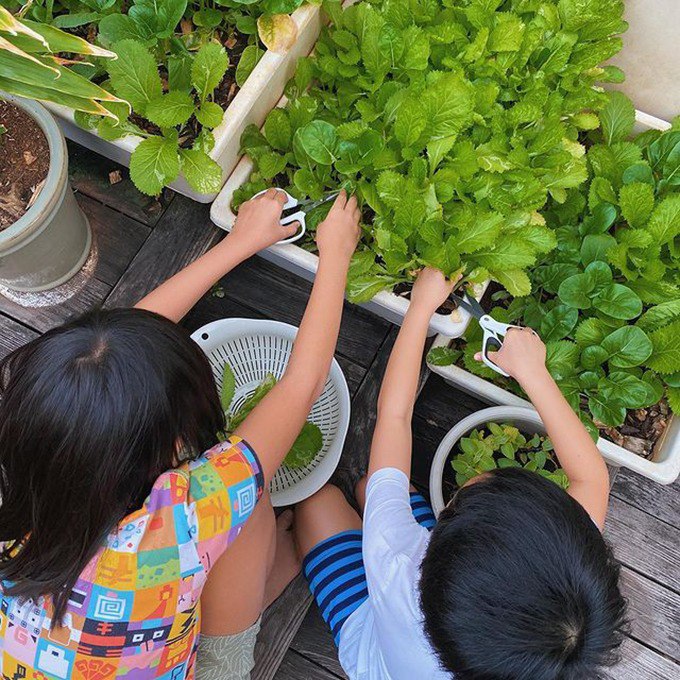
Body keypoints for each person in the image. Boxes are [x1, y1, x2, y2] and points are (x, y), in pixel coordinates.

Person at [0, 189, 360, 680]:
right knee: (251, 506)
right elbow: (302, 386)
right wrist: (336, 255)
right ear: (172, 447)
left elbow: (117, 352)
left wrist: (240, 242)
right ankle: (236, 645)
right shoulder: (181, 520)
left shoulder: (21, 458)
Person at [295, 267, 627, 680]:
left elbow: (394, 417)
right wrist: (533, 372)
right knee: (373, 489)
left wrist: (419, 309)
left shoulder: (397, 567)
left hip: (376, 642)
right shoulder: (567, 567)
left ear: (432, 563)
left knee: (317, 504)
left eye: (459, 502)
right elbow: (592, 478)